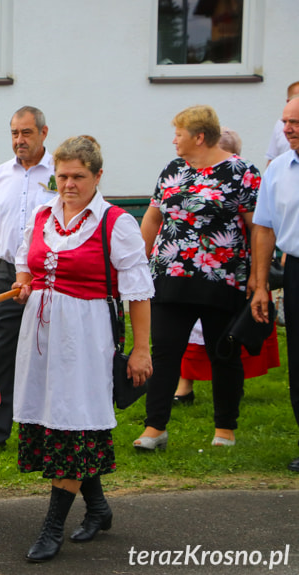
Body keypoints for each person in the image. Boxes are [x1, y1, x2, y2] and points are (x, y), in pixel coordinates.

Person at [12, 136, 153, 562]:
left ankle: (53, 527)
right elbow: (25, 260)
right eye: (62, 176)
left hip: (86, 336)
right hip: (41, 336)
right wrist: (23, 283)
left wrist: (142, 350)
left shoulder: (115, 222)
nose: (68, 184)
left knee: (74, 422)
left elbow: (139, 291)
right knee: (61, 422)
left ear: (98, 177)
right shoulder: (42, 215)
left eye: (78, 176)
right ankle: (98, 507)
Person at [138, 105, 260, 450]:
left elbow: (257, 227)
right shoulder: (174, 169)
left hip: (221, 278)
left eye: (179, 133)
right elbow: (152, 218)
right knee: (164, 352)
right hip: (169, 275)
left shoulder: (241, 172)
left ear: (200, 137)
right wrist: (137, 261)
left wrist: (259, 276)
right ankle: (154, 428)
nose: (174, 140)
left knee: (223, 353)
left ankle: (225, 429)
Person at [0, 105, 56, 457]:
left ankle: (46, 431)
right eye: (15, 133)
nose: (19, 140)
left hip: (47, 273)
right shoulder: (1, 174)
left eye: (27, 133)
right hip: (5, 272)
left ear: (44, 133)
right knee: (1, 352)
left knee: (45, 350)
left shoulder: (59, 175)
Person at [174, 127, 279, 404]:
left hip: (230, 271)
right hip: (189, 271)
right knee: (189, 332)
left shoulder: (243, 180)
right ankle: (184, 386)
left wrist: (258, 274)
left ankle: (229, 390)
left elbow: (258, 228)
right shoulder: (182, 176)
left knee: (227, 333)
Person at [251, 96, 299, 473]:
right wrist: (261, 283)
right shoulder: (279, 169)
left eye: (295, 121)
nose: (288, 128)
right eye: (285, 121)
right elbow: (264, 228)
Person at [265, 81, 299, 166]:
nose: (287, 130)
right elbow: (272, 158)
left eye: (295, 122)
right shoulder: (280, 125)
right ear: (288, 101)